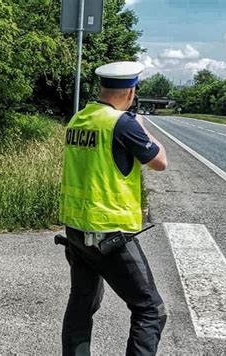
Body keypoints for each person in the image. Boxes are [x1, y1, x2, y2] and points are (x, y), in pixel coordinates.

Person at [59, 61, 168, 356]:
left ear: (101, 88)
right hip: (110, 233)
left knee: (82, 304)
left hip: (76, 229)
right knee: (150, 310)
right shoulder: (123, 123)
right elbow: (160, 162)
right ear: (131, 92)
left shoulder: (80, 119)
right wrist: (142, 126)